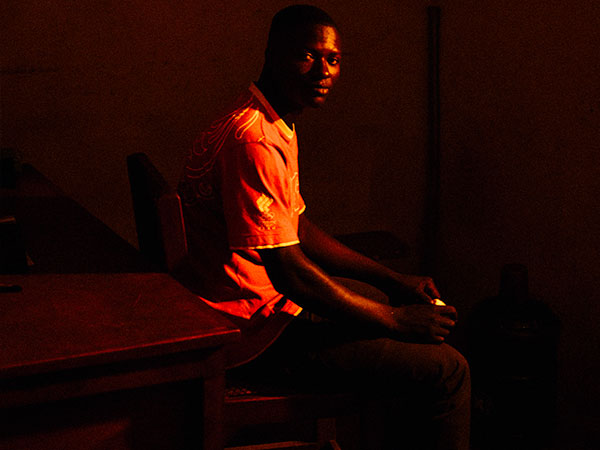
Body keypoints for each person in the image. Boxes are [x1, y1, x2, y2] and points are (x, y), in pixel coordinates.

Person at [178, 5, 470, 449]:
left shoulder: (267, 118)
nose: (323, 71)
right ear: (273, 55)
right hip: (251, 333)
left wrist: (392, 280)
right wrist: (396, 321)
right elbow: (289, 273)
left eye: (333, 59)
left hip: (259, 307)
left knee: (386, 303)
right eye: (307, 56)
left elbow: (295, 225)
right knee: (449, 370)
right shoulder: (254, 139)